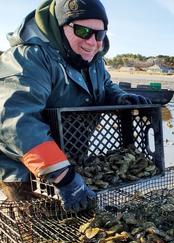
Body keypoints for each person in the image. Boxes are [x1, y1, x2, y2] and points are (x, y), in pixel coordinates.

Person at [0, 0, 150, 214]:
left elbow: (105, 84)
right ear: (60, 27)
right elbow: (15, 123)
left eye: (100, 34)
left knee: (76, 222)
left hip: (70, 162)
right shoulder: (29, 57)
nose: (92, 42)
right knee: (39, 230)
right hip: (23, 173)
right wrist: (64, 176)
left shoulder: (93, 59)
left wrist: (120, 97)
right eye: (82, 31)